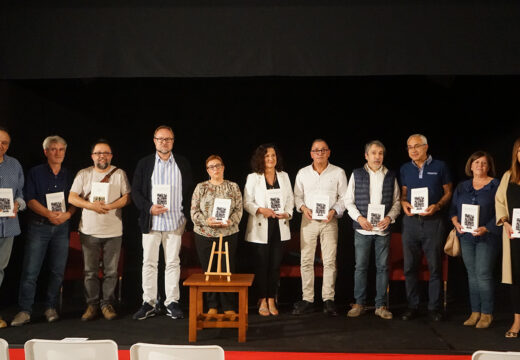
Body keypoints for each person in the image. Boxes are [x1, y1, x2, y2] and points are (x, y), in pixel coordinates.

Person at [11, 136, 77, 327]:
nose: (57, 153)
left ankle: (50, 307)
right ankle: (25, 310)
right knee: (31, 271)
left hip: (62, 227)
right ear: (46, 152)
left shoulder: (68, 174)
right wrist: (48, 213)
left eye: (61, 149)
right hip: (39, 226)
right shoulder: (35, 172)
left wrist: (67, 215)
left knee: (57, 270)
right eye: (53, 149)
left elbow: (74, 201)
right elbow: (30, 199)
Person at [132, 125, 193, 321]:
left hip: (175, 221)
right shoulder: (145, 163)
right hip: (151, 221)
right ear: (154, 141)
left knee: (173, 263)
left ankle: (171, 302)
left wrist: (185, 216)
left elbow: (189, 191)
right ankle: (148, 302)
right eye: (160, 139)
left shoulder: (182, 163)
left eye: (168, 139)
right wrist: (148, 207)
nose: (164, 142)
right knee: (149, 263)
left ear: (173, 141)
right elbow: (135, 192)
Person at [68, 139, 131, 321]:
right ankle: (92, 304)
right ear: (92, 156)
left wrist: (110, 206)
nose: (102, 156)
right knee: (90, 271)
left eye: (106, 153)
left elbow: (128, 197)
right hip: (89, 231)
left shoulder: (119, 174)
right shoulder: (84, 174)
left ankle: (107, 304)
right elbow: (72, 197)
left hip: (113, 231)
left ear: (111, 155)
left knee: (111, 271)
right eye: (98, 153)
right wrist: (90, 206)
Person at [345, 140, 401, 319]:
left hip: (382, 230)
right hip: (363, 230)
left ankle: (380, 305)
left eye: (380, 153)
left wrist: (389, 218)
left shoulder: (391, 175)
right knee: (360, 267)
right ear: (366, 155)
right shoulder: (357, 174)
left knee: (382, 267)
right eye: (374, 153)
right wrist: (359, 218)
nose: (377, 156)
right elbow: (348, 201)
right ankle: (359, 303)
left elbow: (397, 202)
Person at [400, 134, 452, 322]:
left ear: (426, 147)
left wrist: (437, 206)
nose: (413, 150)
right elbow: (403, 193)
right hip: (411, 222)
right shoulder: (405, 168)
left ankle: (434, 307)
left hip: (434, 222)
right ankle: (412, 306)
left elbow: (448, 192)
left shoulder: (440, 166)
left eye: (417, 146)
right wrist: (403, 202)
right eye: (409, 147)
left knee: (435, 266)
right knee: (409, 267)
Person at [292, 139, 348, 316]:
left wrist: (334, 211)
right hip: (308, 220)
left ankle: (328, 300)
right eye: (316, 150)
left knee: (330, 261)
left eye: (323, 150)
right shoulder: (302, 173)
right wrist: (303, 208)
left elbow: (344, 198)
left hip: (329, 221)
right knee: (306, 261)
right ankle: (307, 299)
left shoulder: (338, 172)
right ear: (311, 153)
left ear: (329, 152)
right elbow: (297, 197)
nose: (320, 153)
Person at [450, 151, 500, 329]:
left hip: (488, 236)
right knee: (472, 275)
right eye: (476, 162)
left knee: (483, 274)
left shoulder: (496, 185)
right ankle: (475, 312)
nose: (480, 166)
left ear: (489, 167)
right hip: (466, 237)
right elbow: (453, 210)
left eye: (484, 163)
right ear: (470, 166)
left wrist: (486, 228)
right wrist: (456, 223)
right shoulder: (462, 186)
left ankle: (487, 314)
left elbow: (502, 212)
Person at [244, 144, 294, 316]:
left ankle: (272, 298)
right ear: (261, 159)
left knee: (274, 265)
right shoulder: (253, 177)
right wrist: (260, 210)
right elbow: (247, 202)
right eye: (267, 156)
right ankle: (262, 299)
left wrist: (287, 212)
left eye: (273, 155)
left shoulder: (284, 176)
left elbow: (290, 200)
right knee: (261, 265)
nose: (271, 159)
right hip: (261, 225)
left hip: (279, 225)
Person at [190, 155, 243, 319]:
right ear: (207, 170)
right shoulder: (201, 187)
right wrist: (206, 221)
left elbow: (239, 210)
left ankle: (228, 306)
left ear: (223, 167)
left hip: (228, 233)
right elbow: (194, 211)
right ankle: (212, 306)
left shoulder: (233, 187)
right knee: (209, 270)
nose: (215, 169)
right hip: (205, 234)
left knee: (227, 270)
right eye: (211, 167)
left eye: (218, 166)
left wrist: (230, 221)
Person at [0, 127, 26, 329]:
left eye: (5, 143)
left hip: (8, 227)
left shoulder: (14, 164)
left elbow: (21, 193)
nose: (1, 146)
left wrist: (18, 203)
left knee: (0, 270)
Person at [496, 137, 520, 338]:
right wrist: (505, 221)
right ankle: (517, 322)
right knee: (516, 279)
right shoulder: (508, 176)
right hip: (514, 237)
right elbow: (500, 202)